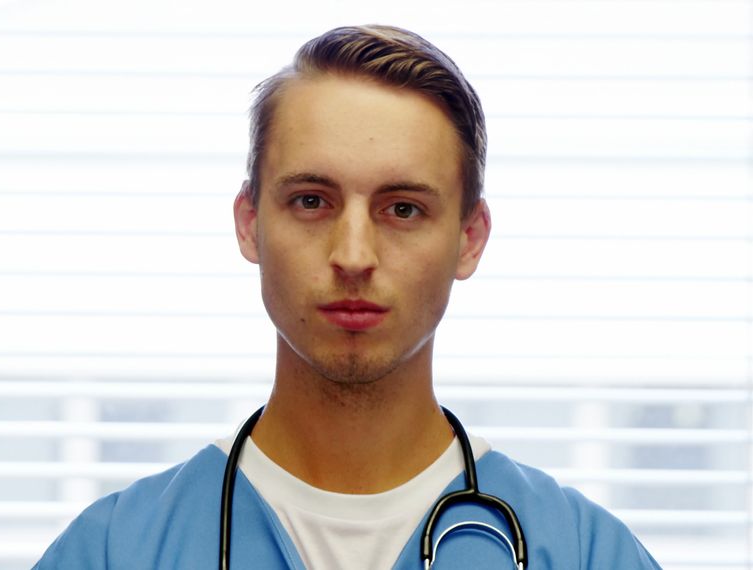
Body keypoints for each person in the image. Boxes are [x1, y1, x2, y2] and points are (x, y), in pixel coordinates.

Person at [34, 25, 662, 569]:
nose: (354, 255)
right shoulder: (116, 552)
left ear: (470, 239)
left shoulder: (582, 553)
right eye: (311, 201)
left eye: (403, 208)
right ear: (250, 223)